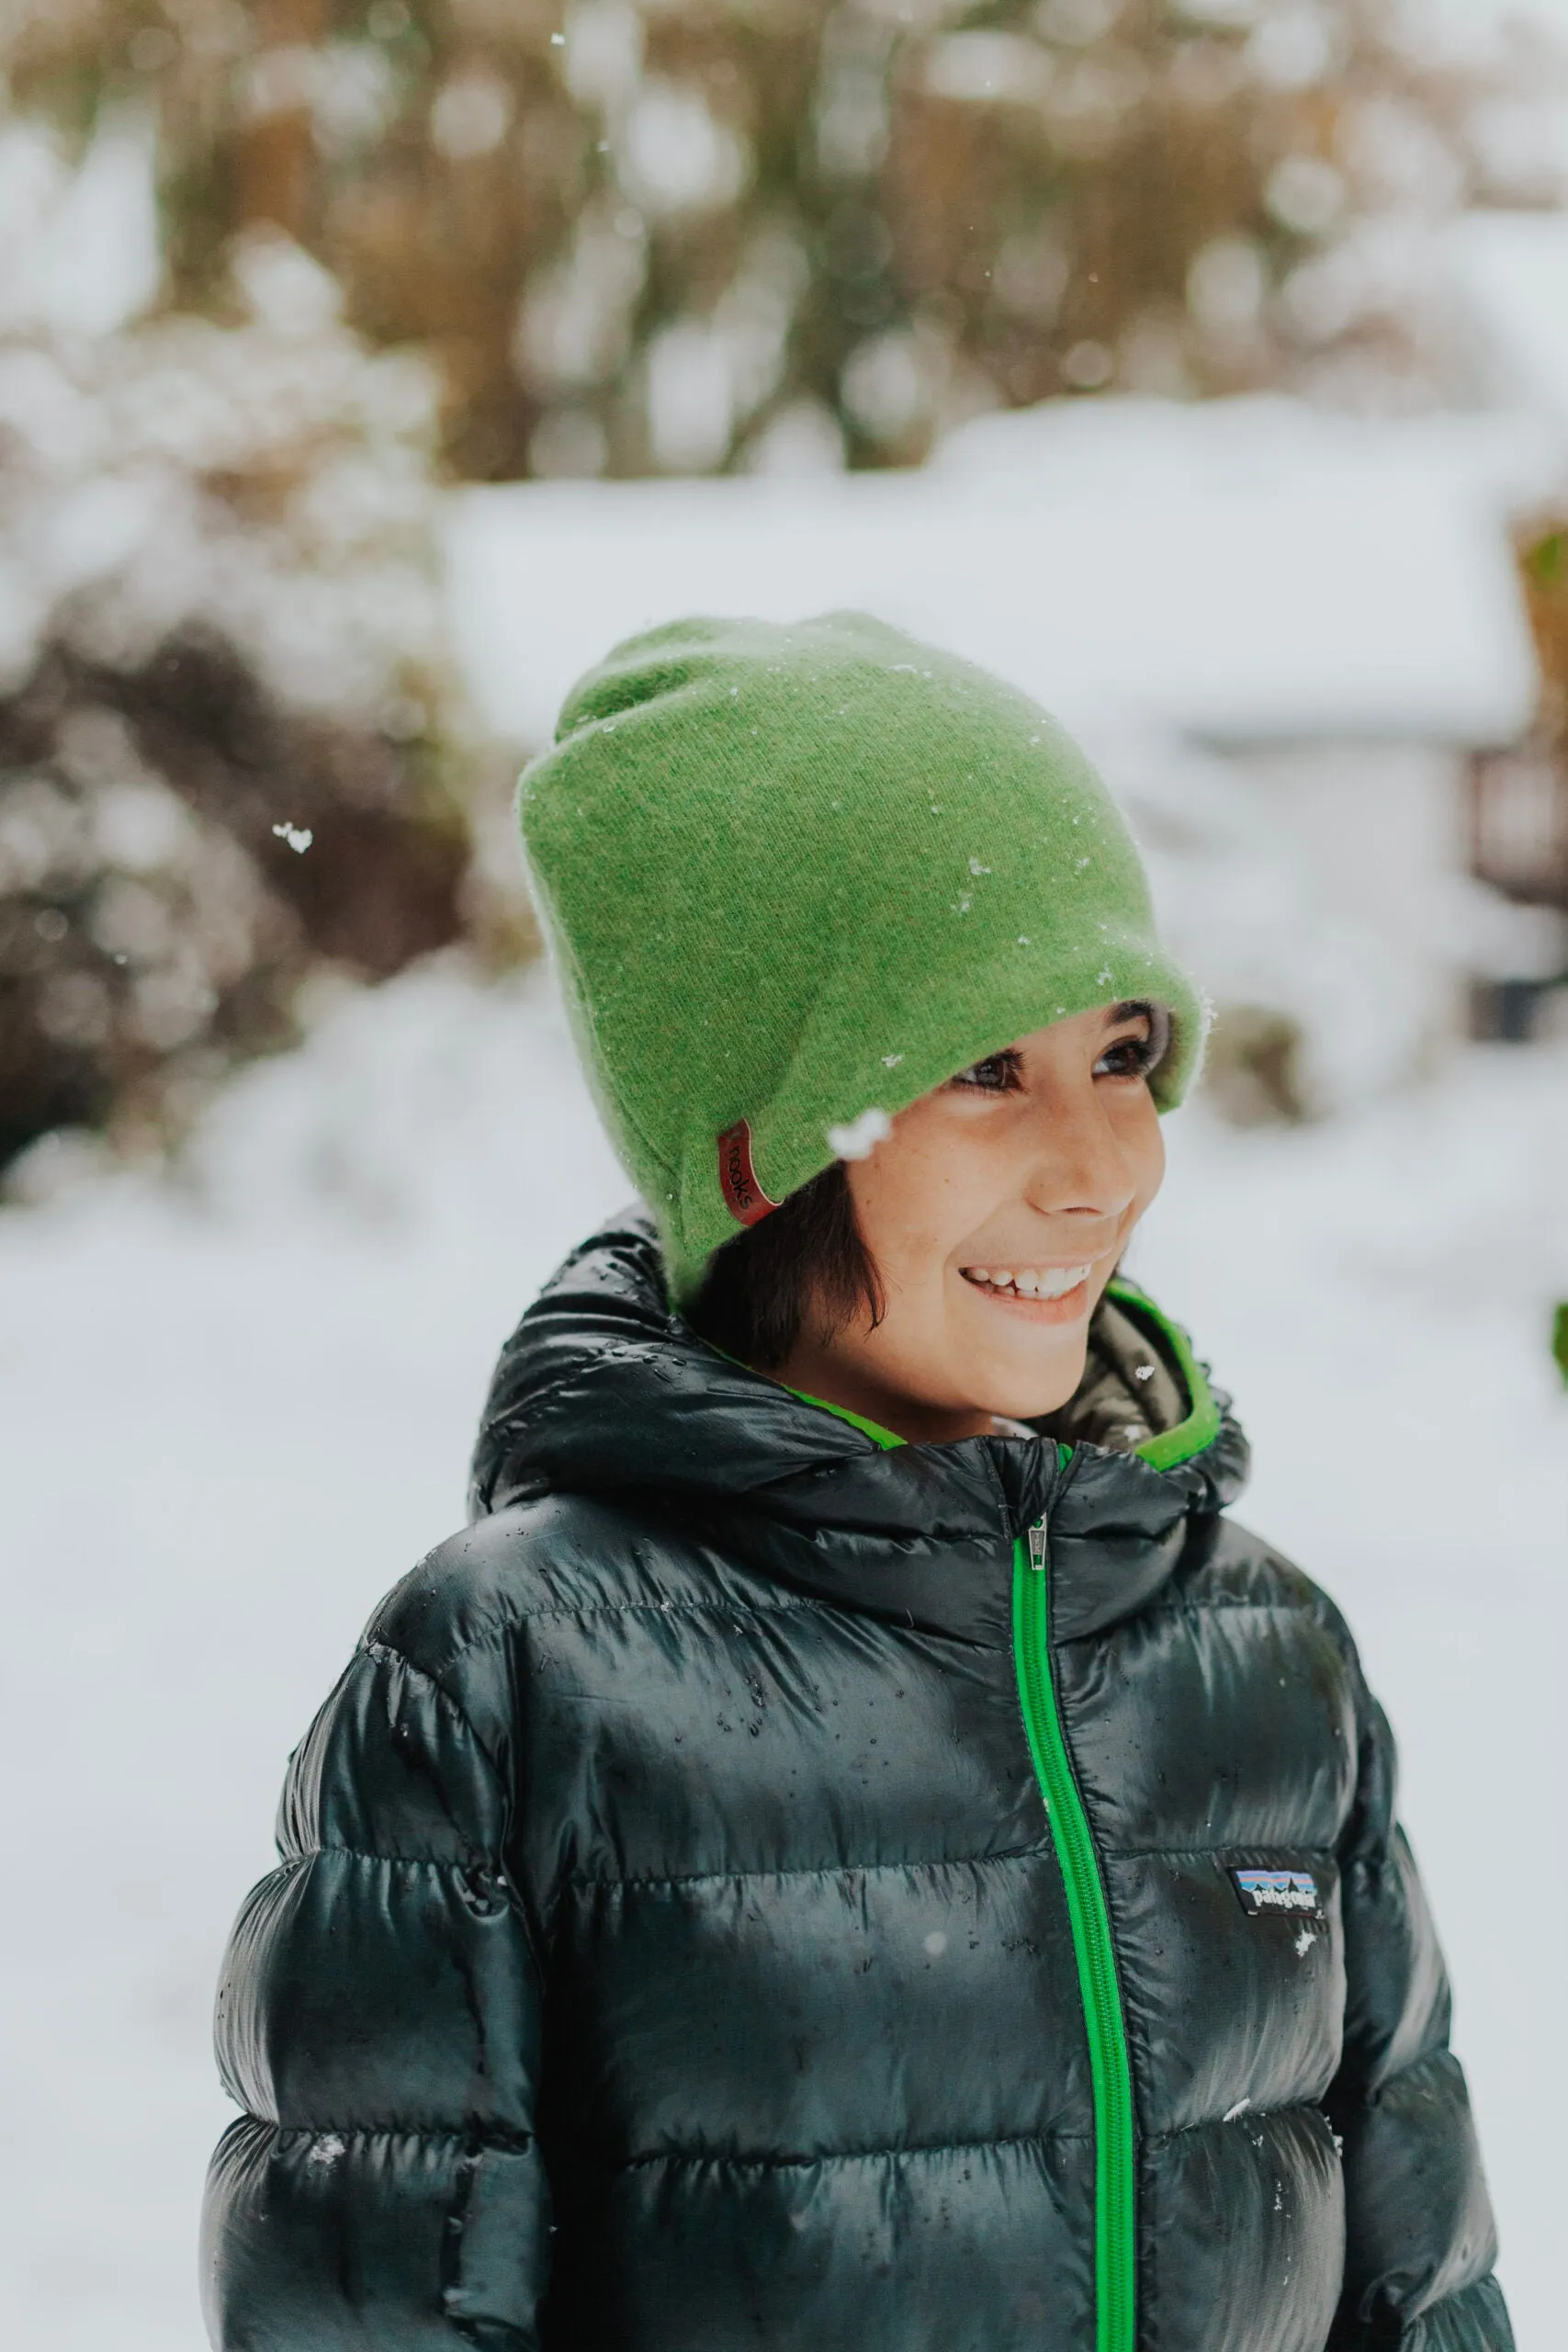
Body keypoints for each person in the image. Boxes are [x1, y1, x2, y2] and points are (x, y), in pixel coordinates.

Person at [202, 614, 1510, 2351]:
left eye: (1121, 1054)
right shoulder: (511, 1678)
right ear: (759, 1149)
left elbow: (1423, 2294)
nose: (1103, 1165)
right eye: (984, 1069)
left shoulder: (1260, 1652)